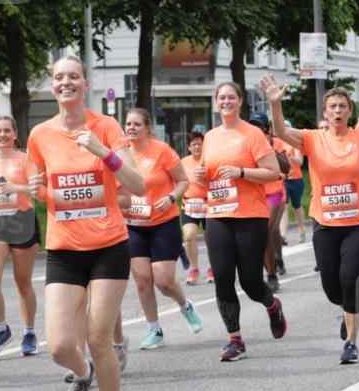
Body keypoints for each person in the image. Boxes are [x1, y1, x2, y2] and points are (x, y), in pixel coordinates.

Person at [26, 55, 144, 391]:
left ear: (85, 83)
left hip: (109, 245)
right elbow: (43, 188)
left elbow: (138, 184)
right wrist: (34, 190)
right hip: (64, 248)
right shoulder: (40, 134)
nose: (66, 83)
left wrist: (103, 152)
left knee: (97, 336)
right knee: (60, 345)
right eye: (59, 77)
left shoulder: (105, 127)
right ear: (52, 84)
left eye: (73, 76)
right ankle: (82, 374)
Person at [262, 76, 359, 364]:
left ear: (349, 111)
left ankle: (351, 342)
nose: (338, 111)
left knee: (349, 279)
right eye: (332, 107)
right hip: (326, 225)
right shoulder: (313, 139)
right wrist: (275, 103)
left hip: (358, 224)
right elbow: (279, 131)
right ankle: (347, 311)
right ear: (325, 113)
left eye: (342, 106)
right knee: (332, 287)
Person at [195, 81, 288, 362]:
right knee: (222, 279)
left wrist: (241, 171)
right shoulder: (210, 136)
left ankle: (272, 305)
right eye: (221, 98)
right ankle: (235, 340)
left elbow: (272, 172)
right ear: (216, 102)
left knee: (249, 281)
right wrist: (201, 178)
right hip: (218, 215)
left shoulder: (252, 135)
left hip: (250, 215)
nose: (226, 102)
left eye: (231, 97)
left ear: (240, 101)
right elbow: (210, 176)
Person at [123, 108, 203, 348]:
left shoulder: (161, 151)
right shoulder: (121, 154)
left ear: (147, 127)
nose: (131, 128)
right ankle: (154, 330)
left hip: (162, 223)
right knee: (142, 280)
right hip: (133, 224)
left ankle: (185, 305)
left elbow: (183, 180)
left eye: (137, 124)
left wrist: (170, 198)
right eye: (128, 124)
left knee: (164, 281)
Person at [0, 116, 41, 356]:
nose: (2, 135)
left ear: (15, 133)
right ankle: (1, 329)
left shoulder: (26, 159)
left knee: (22, 282)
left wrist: (17, 188)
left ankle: (29, 332)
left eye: (7, 131)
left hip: (22, 220)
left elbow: (38, 191)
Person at [248, 111, 289, 291]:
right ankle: (276, 260)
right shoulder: (246, 142)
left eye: (259, 125)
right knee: (265, 234)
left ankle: (271, 275)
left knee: (265, 230)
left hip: (274, 191)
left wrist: (271, 148)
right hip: (254, 193)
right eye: (252, 125)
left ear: (265, 128)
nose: (256, 128)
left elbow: (286, 168)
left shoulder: (275, 141)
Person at [180, 132, 213, 285]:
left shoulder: (210, 160)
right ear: (189, 147)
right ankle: (194, 270)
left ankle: (212, 268)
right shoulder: (183, 162)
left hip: (209, 204)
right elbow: (177, 181)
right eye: (193, 144)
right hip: (189, 204)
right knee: (189, 236)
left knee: (211, 239)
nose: (197, 147)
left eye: (199, 143)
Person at [280, 121, 307, 245]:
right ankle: (283, 235)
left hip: (296, 179)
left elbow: (300, 161)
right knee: (283, 207)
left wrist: (288, 157)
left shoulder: (294, 144)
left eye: (287, 127)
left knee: (297, 206)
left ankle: (302, 229)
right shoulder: (278, 144)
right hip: (284, 180)